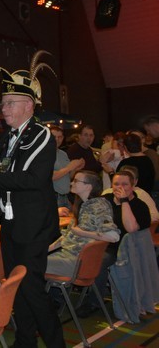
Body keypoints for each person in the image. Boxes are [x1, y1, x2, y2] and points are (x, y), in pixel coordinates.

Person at [0, 61, 65, 348]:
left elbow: (35, 179)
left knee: (32, 289)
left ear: (28, 106)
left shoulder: (41, 135)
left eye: (10, 103)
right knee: (15, 286)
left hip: (33, 225)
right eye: (3, 103)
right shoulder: (8, 136)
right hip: (10, 223)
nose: (3, 108)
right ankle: (25, 342)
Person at [76, 170, 152, 318]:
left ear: (133, 185)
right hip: (98, 242)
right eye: (116, 184)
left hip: (122, 249)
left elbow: (131, 228)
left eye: (125, 184)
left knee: (98, 261)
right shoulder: (105, 200)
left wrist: (124, 202)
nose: (120, 187)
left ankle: (94, 302)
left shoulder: (140, 206)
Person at [47, 170, 120, 278]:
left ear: (88, 187)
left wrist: (82, 232)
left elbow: (113, 236)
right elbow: (67, 236)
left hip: (77, 261)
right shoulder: (83, 205)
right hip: (67, 255)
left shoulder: (98, 206)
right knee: (31, 259)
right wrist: (45, 250)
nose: (71, 183)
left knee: (29, 264)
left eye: (76, 181)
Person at [49, 125, 85, 214]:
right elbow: (49, 176)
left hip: (65, 196)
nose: (57, 139)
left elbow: (68, 176)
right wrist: (69, 167)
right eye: (54, 136)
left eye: (60, 137)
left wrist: (76, 168)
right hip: (53, 197)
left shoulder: (63, 154)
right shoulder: (43, 154)